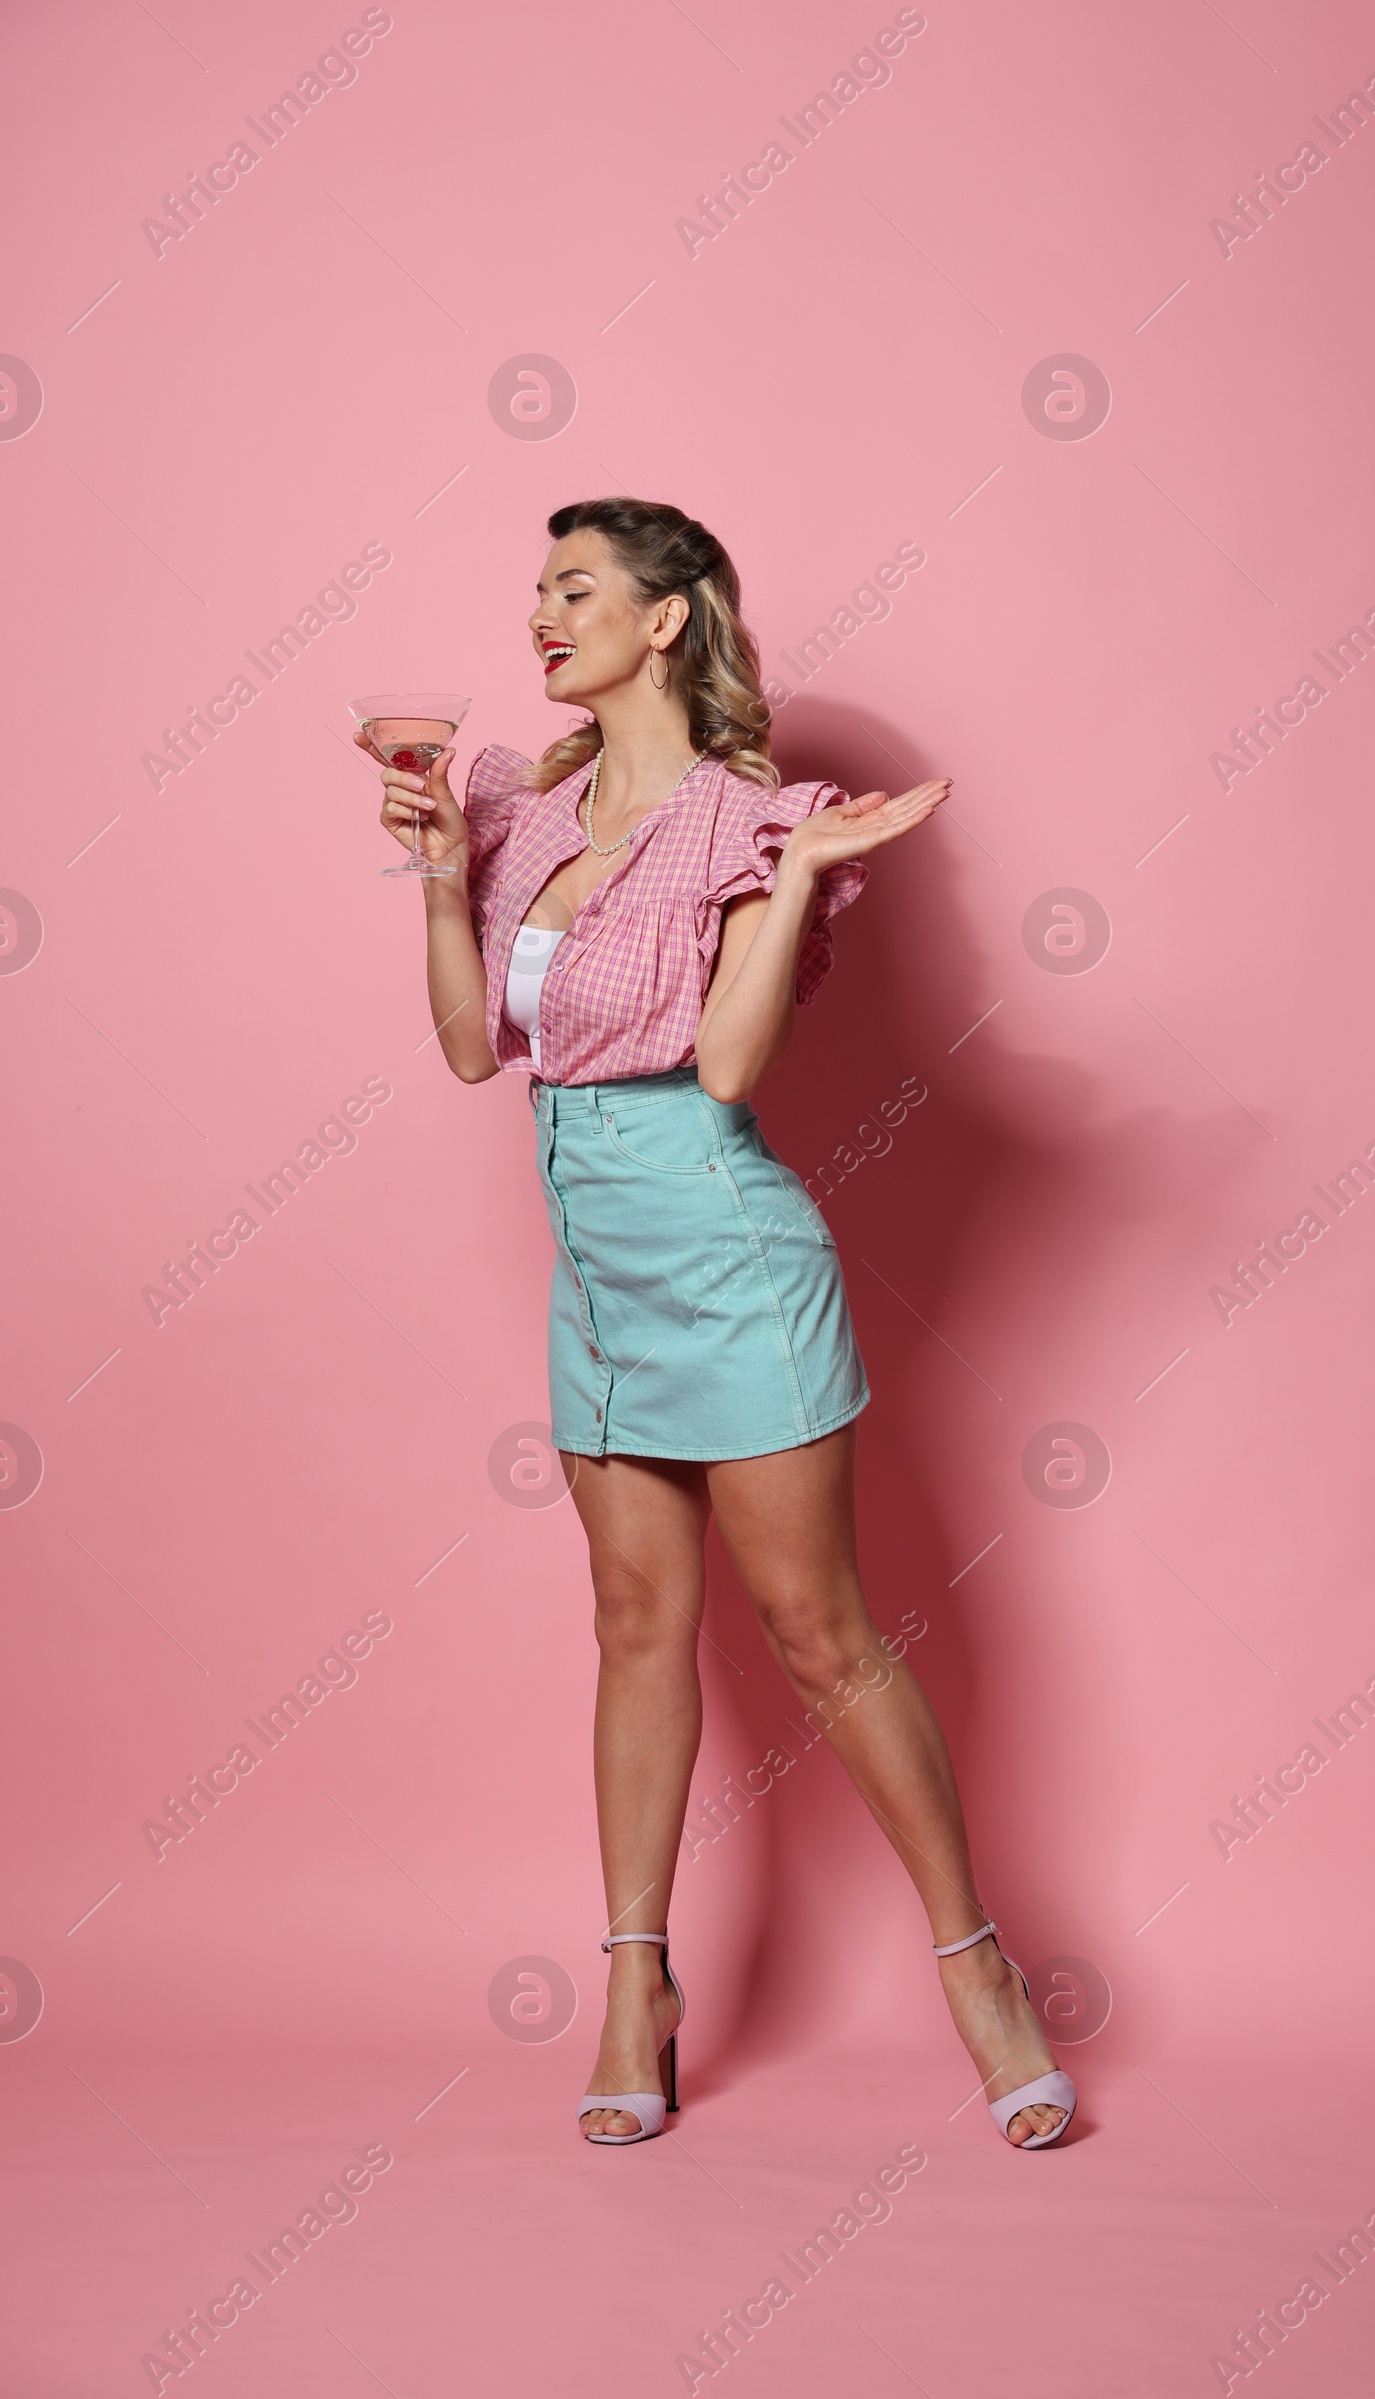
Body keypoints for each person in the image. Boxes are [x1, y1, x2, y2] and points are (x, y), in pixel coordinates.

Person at [362, 497, 1075, 2151]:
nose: (541, 615)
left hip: (729, 1250)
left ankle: (975, 1967)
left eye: (577, 588)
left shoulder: (753, 821)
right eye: (533, 591)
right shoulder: (520, 810)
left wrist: (805, 870)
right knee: (631, 1625)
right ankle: (636, 1986)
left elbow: (738, 1069)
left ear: (667, 618)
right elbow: (479, 1053)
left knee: (821, 1632)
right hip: (596, 1274)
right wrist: (430, 885)